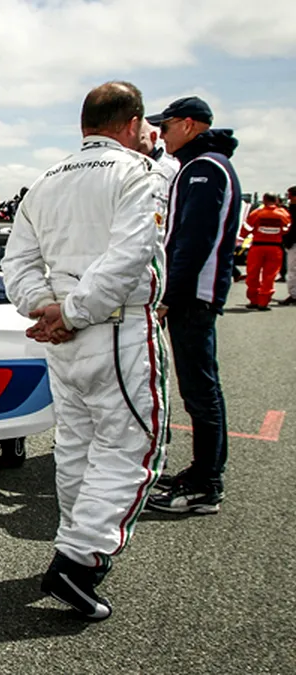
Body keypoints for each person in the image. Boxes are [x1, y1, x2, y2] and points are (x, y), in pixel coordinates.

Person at [3, 81, 169, 621]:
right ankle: (78, 563)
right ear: (131, 122)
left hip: (64, 340)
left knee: (77, 446)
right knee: (131, 447)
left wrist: (45, 310)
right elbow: (128, 257)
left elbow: (17, 266)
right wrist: (70, 313)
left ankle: (72, 544)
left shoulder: (45, 182)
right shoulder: (138, 174)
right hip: (114, 331)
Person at [144, 95, 241, 515]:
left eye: (164, 127)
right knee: (198, 389)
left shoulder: (205, 169)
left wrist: (169, 296)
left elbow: (193, 243)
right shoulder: (199, 167)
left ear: (188, 125)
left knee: (201, 391)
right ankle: (202, 472)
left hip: (194, 298)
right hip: (194, 295)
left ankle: (206, 483)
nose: (161, 135)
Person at [238, 193, 291, 309]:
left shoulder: (257, 213)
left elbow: (245, 230)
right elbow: (287, 229)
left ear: (264, 200)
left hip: (257, 247)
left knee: (252, 274)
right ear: (276, 200)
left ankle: (254, 300)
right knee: (270, 276)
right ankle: (264, 302)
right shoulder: (283, 214)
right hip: (275, 248)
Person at [280, 186, 296, 304]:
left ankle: (294, 295)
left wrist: (288, 240)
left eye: (290, 195)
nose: (288, 197)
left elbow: (292, 228)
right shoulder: (290, 209)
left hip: (294, 243)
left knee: (293, 269)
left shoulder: (292, 210)